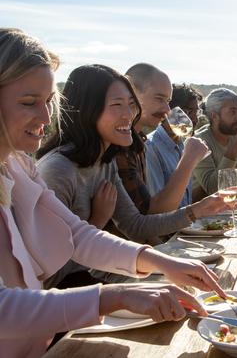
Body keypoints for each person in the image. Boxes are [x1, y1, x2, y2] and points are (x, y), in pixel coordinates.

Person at [0, 28, 225, 358]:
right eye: (29, 102)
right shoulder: (50, 167)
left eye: (49, 102)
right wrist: (112, 296)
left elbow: (77, 234)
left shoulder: (17, 165)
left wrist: (163, 262)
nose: (47, 117)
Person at [35, 64, 229, 286]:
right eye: (117, 105)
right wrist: (96, 222)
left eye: (130, 104)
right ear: (87, 110)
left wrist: (199, 209)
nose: (129, 114)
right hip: (69, 294)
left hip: (97, 278)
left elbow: (136, 225)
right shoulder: (58, 171)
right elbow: (48, 274)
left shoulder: (104, 161)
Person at [117, 63, 210, 215]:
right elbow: (150, 215)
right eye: (160, 99)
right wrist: (188, 161)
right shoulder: (131, 147)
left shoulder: (138, 143)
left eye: (168, 101)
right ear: (133, 93)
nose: (167, 110)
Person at [145, 83, 204, 208]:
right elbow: (157, 209)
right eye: (188, 111)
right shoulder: (150, 148)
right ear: (168, 111)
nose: (195, 119)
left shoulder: (182, 145)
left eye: (196, 112)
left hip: (186, 226)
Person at [192, 88, 237, 197]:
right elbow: (213, 190)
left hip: (228, 208)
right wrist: (234, 149)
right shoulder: (199, 142)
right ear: (214, 116)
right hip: (201, 210)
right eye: (232, 112)